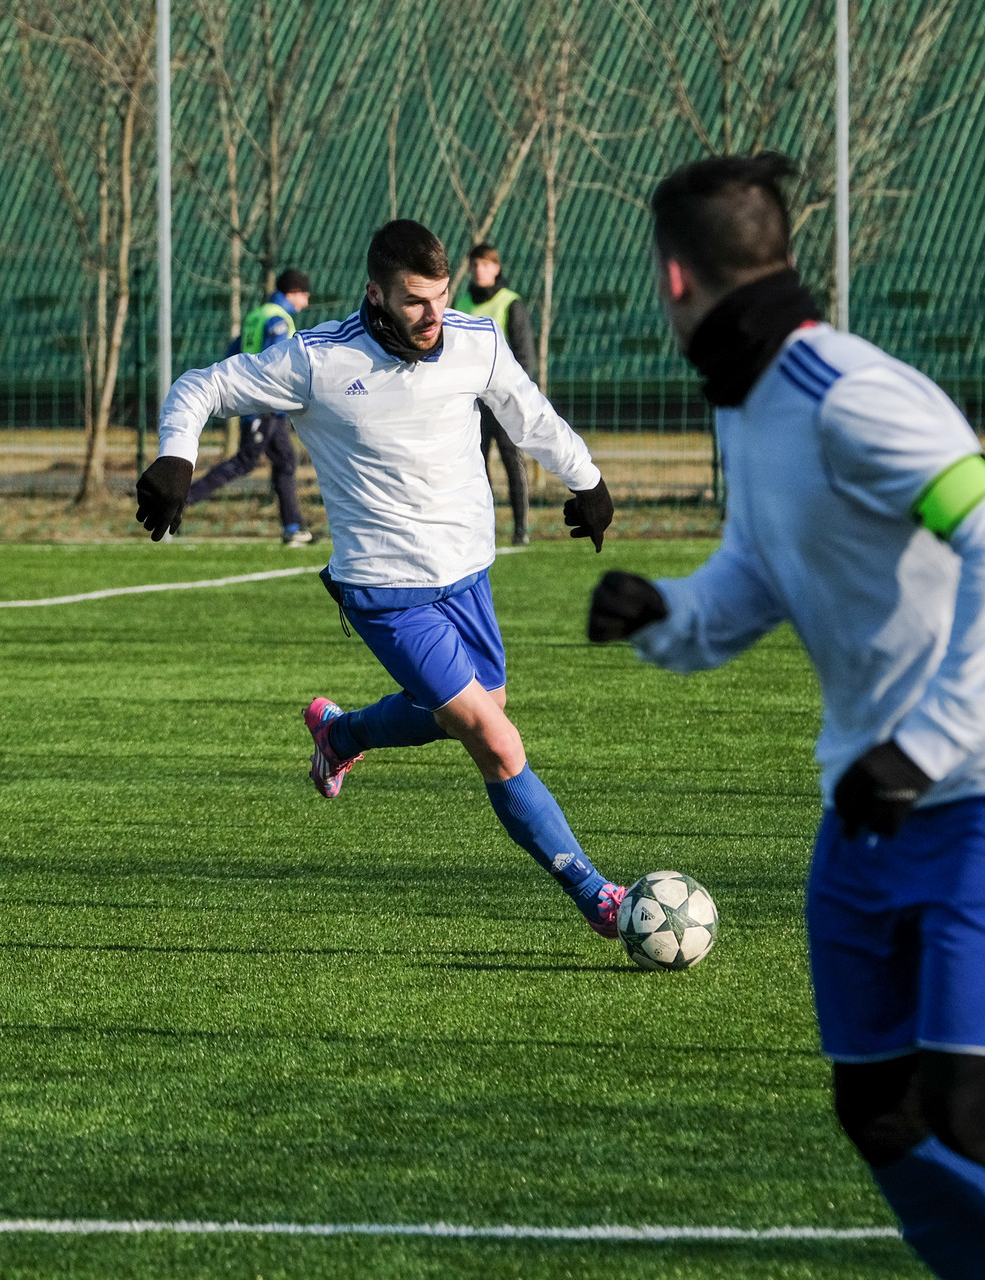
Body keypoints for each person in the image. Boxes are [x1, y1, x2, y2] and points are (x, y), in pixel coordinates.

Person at [587, 153, 985, 1280]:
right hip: (871, 800)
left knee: (976, 1103)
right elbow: (759, 572)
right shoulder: (755, 406)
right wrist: (669, 615)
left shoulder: (849, 394)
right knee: (878, 1105)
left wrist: (923, 747)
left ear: (675, 276)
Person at [135, 220, 627, 941]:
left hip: (467, 575)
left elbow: (531, 416)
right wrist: (176, 457)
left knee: (478, 708)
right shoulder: (318, 359)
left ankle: (342, 735)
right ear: (376, 293)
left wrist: (588, 481)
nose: (433, 316)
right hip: (386, 591)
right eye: (415, 301)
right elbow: (200, 385)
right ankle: (600, 897)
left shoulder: (475, 342)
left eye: (441, 297)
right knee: (496, 741)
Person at [185, 268, 315, 546]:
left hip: (266, 405)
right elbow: (277, 362)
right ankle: (182, 500)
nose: (307, 301)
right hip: (264, 403)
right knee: (245, 461)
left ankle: (293, 527)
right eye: (305, 295)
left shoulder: (257, 315)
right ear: (294, 292)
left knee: (286, 461)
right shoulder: (279, 320)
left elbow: (233, 352)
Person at [457, 245, 535, 545]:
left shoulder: (510, 302)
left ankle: (520, 529)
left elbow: (524, 354)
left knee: (511, 461)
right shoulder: (462, 303)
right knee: (475, 465)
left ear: (496, 268)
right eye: (475, 264)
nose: (479, 270)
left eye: (485, 264)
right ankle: (484, 528)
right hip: (472, 401)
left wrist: (515, 395)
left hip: (502, 399)